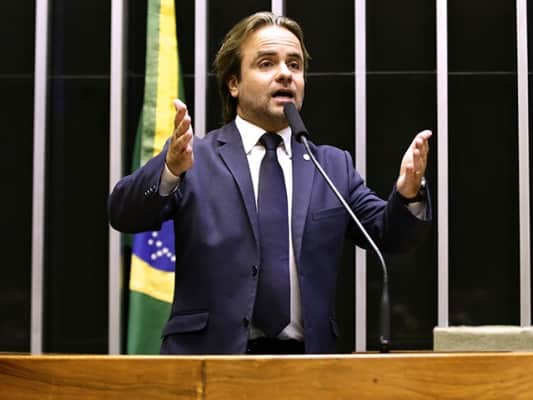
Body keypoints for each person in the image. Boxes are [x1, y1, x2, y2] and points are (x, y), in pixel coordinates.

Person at [108, 11, 432, 355]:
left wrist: (408, 194)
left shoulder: (332, 166)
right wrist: (170, 170)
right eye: (266, 64)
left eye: (294, 65)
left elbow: (390, 235)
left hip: (307, 364)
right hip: (209, 359)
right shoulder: (195, 158)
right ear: (233, 83)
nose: (285, 74)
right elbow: (124, 214)